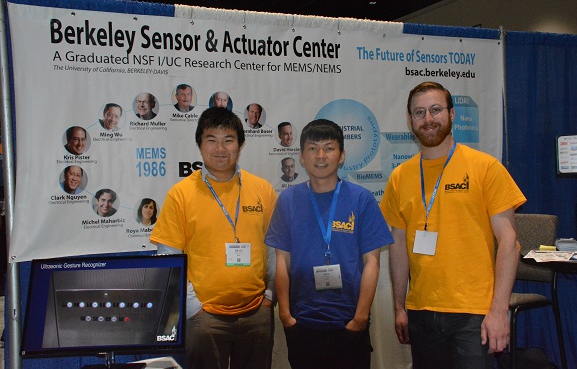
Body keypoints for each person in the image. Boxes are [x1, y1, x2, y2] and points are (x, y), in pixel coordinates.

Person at [379, 81, 526, 369]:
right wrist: (400, 307)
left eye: (436, 110)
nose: (428, 119)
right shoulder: (400, 177)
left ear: (452, 114)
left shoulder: (485, 167)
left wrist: (498, 311)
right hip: (421, 311)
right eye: (419, 112)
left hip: (473, 313)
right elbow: (397, 243)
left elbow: (510, 243)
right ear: (409, 120)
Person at [150, 107, 277, 369]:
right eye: (211, 140)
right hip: (205, 318)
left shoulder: (262, 189)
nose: (220, 148)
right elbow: (168, 257)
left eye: (228, 140)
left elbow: (274, 248)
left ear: (240, 145)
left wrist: (269, 296)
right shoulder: (181, 194)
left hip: (257, 313)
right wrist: (194, 307)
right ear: (200, 144)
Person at [265, 119, 393, 369]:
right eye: (312, 148)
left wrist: (360, 318)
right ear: (301, 157)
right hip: (302, 323)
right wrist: (286, 316)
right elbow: (282, 260)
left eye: (329, 148)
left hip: (349, 322)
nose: (320, 155)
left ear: (342, 155)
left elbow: (372, 262)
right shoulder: (288, 200)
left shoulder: (361, 199)